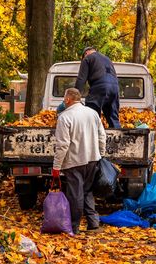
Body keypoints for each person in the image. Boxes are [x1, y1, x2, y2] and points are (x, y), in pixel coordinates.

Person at [51, 88, 107, 233]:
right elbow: (102, 136)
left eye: (64, 99)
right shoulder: (93, 113)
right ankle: (93, 222)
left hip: (75, 161)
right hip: (92, 159)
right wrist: (100, 154)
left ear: (68, 100)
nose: (63, 101)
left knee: (75, 194)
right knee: (87, 190)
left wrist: (56, 167)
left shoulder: (64, 117)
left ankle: (74, 226)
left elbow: (63, 144)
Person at [74, 47, 121, 128]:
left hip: (100, 86)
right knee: (113, 117)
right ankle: (118, 137)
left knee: (91, 114)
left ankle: (92, 137)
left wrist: (74, 96)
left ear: (86, 53)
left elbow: (81, 79)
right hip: (115, 88)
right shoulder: (107, 59)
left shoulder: (87, 58)